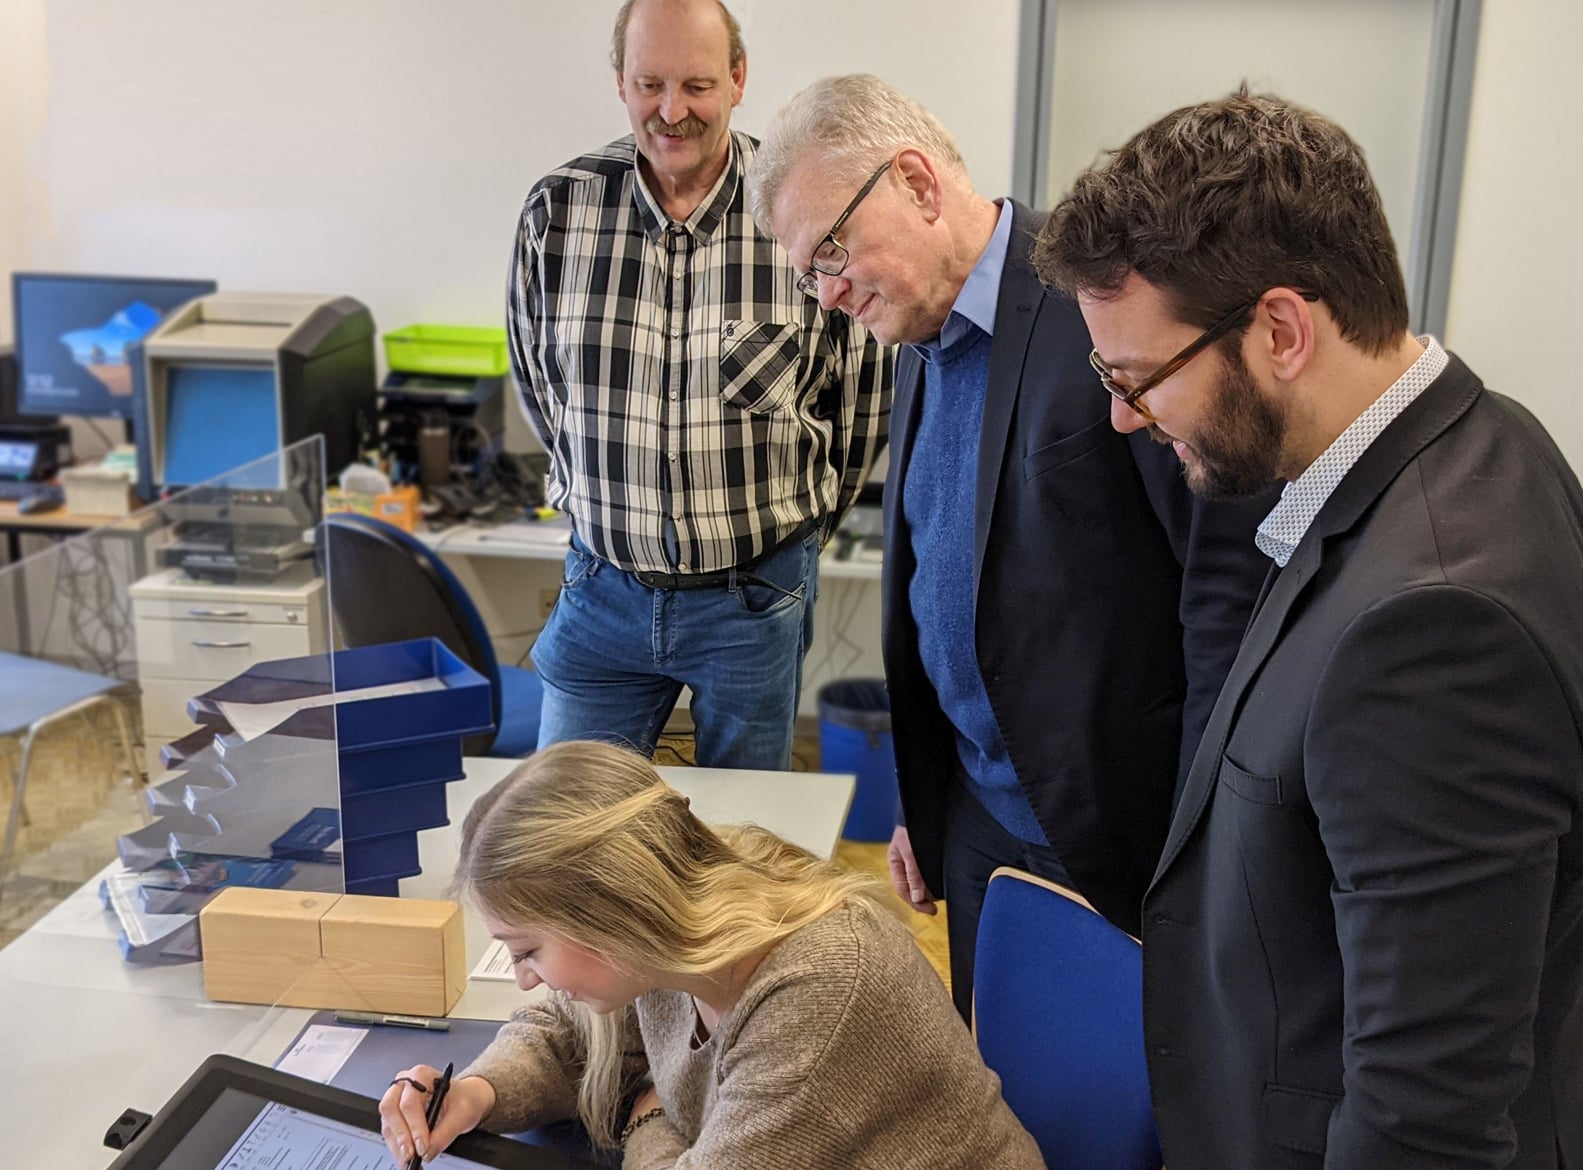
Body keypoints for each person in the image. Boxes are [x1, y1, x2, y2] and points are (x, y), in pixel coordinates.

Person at [1035, 88, 1583, 1169]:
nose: (1120, 418)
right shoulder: (1473, 439)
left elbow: (1423, 1111)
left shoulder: (1432, 625)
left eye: (1135, 378)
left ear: (1280, 329)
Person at [747, 74, 1271, 1018]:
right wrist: (927, 799)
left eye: (831, 249)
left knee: (1117, 1112)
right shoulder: (914, 341)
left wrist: (1208, 833)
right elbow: (941, 589)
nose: (825, 295)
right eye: (806, 271)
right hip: (980, 821)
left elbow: (1223, 580)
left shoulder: (1099, 297)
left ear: (914, 182)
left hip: (1119, 827)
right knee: (999, 1103)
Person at [508, 0, 891, 770]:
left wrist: (799, 533)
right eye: (649, 83)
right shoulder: (559, 211)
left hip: (752, 599)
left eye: (697, 85)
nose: (671, 110)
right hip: (600, 589)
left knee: (741, 848)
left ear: (738, 79)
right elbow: (541, 388)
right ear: (620, 81)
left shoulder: (799, 213)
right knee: (562, 842)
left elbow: (861, 402)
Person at [377, 741, 1046, 1170]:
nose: (525, 979)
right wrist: (476, 1093)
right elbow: (568, 1036)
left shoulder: (820, 988)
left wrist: (653, 1117)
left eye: (526, 950)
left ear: (610, 912)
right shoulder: (679, 921)